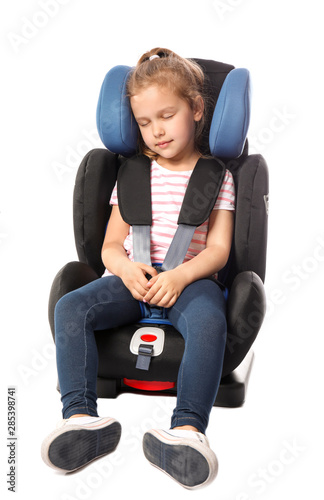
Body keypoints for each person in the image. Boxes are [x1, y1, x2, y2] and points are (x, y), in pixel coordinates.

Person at [41, 47, 235, 489]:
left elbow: (219, 249)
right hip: (133, 279)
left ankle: (186, 432)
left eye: (166, 115)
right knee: (71, 307)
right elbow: (112, 245)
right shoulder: (131, 175)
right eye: (145, 123)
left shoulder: (217, 176)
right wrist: (125, 269)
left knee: (208, 322)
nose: (156, 131)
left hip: (191, 281)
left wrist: (181, 276)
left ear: (197, 108)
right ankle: (80, 419)